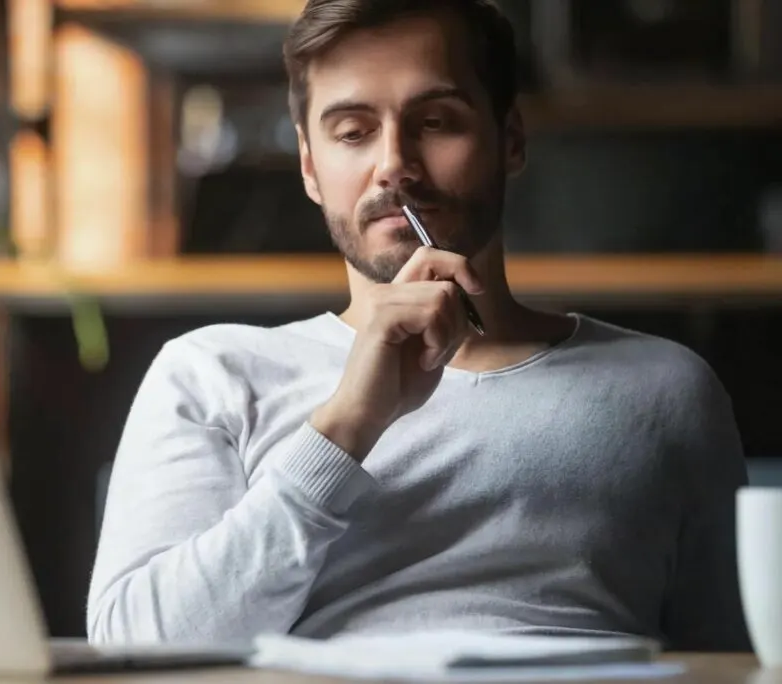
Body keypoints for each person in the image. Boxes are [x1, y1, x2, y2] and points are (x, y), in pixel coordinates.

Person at [87, 0, 751, 651]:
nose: (394, 165)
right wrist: (346, 424)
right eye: (353, 132)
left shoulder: (666, 390)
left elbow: (739, 659)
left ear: (510, 140)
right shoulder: (212, 373)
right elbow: (138, 649)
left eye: (435, 122)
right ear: (311, 166)